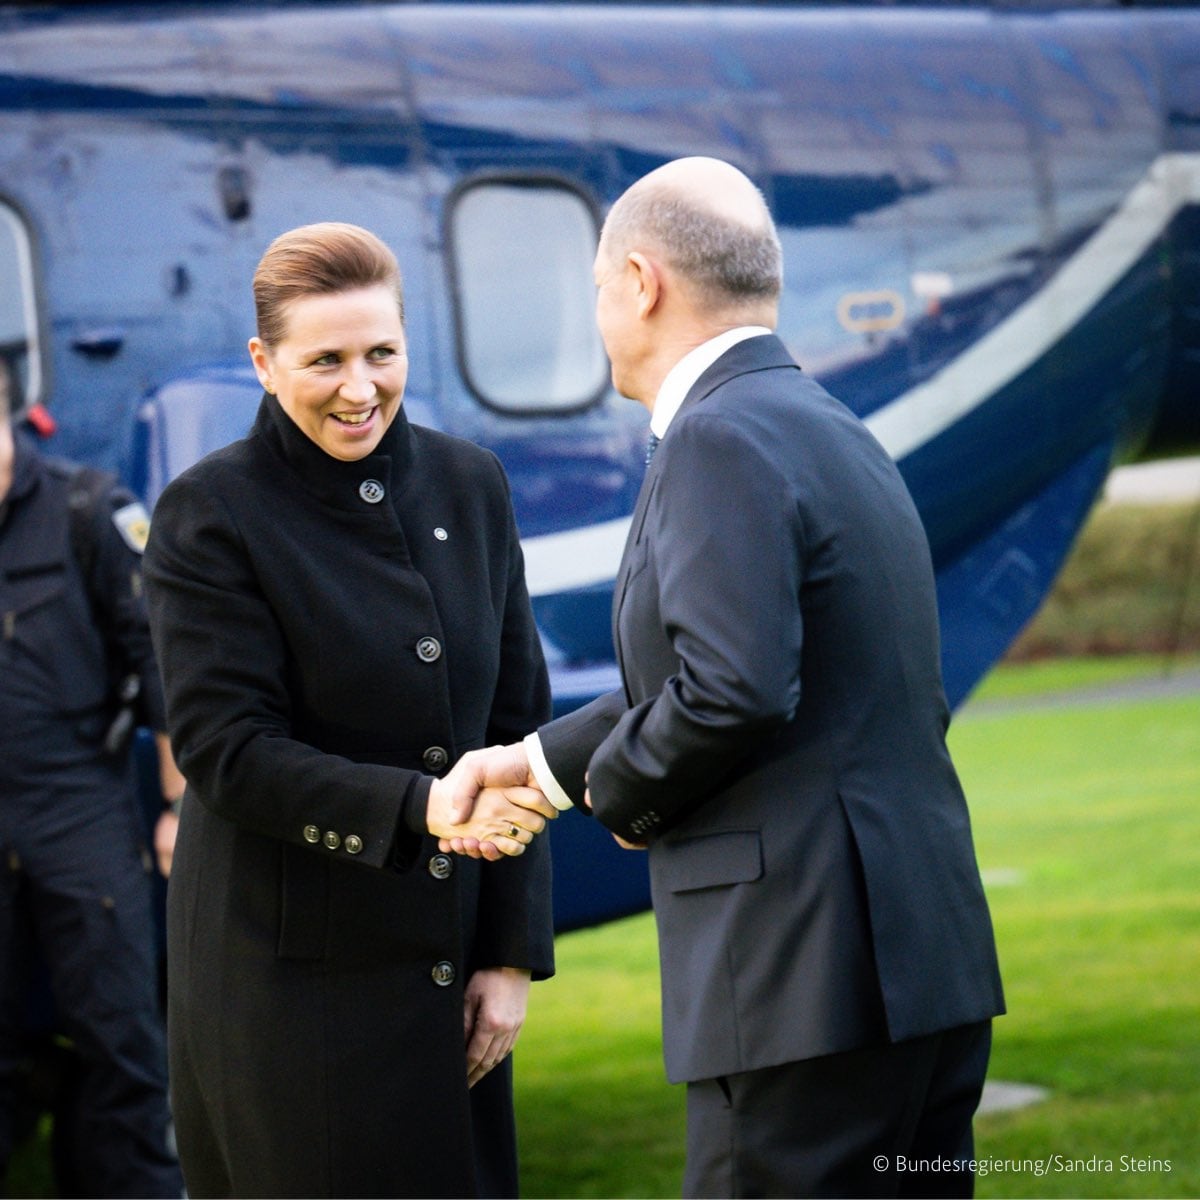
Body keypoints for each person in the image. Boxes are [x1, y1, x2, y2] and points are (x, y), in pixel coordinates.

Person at [446, 158, 1005, 1198]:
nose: (601, 309)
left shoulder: (714, 440)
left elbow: (734, 691)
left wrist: (625, 796)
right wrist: (534, 765)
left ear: (642, 283)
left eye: (600, 284)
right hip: (916, 964)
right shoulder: (827, 429)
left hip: (799, 978)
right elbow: (733, 668)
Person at [142, 222, 559, 1199]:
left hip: (447, 969)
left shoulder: (473, 484)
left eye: (382, 352)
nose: (360, 387)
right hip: (289, 993)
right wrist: (421, 809)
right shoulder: (210, 514)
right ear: (264, 361)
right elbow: (227, 751)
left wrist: (508, 957)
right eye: (324, 360)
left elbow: (517, 722)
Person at [0, 357, 185, 1196]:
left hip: (78, 804)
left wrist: (179, 807)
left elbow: (163, 670)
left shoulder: (88, 509)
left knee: (122, 1043)